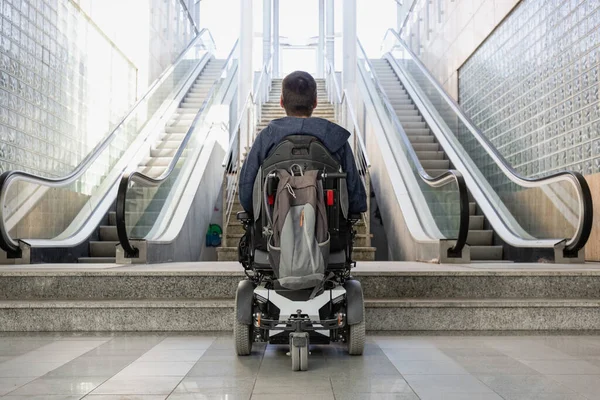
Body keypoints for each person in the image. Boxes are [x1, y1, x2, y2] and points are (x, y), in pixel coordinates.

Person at [238, 70, 367, 215]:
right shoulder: (336, 138)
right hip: (331, 230)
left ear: (281, 102)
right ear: (315, 102)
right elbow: (356, 197)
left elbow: (246, 192)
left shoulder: (266, 137)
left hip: (272, 230)